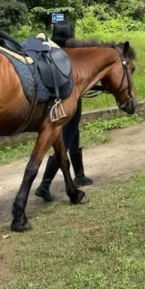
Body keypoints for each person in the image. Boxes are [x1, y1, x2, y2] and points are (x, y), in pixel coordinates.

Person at [35, 19, 93, 202]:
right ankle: (45, 184)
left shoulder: (48, 53)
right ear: (72, 36)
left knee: (73, 133)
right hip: (68, 101)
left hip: (52, 101)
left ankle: (80, 174)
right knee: (65, 139)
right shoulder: (72, 56)